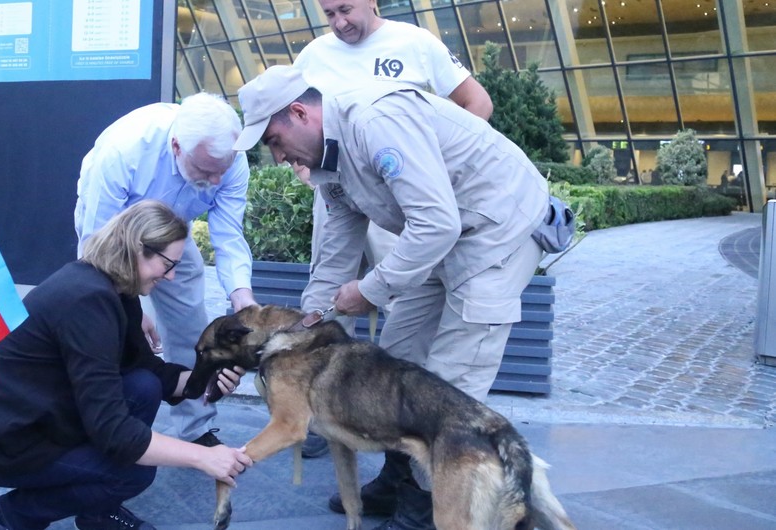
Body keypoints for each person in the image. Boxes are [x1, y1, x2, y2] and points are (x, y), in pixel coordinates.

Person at [233, 65, 549, 530]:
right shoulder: (328, 162)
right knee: (391, 364)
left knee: (446, 384)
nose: (278, 156)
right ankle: (400, 480)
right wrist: (306, 326)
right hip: (436, 239)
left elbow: (436, 222)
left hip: (495, 232)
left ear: (299, 112)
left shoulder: (375, 122)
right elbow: (335, 252)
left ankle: (424, 510)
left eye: (275, 141)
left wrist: (370, 290)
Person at [0, 201, 253, 530]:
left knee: (142, 385)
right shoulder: (86, 301)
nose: (172, 275)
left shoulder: (114, 289)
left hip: (38, 414)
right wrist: (203, 457)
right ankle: (9, 515)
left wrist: (202, 383)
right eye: (168, 264)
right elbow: (115, 432)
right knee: (133, 471)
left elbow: (149, 372)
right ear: (136, 249)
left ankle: (97, 513)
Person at [293, 0, 493, 459]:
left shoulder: (416, 43)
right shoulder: (313, 56)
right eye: (329, 14)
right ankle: (325, 413)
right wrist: (308, 172)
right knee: (329, 293)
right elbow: (294, 121)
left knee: (398, 295)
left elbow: (477, 103)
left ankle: (404, 433)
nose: (339, 22)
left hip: (403, 197)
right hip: (340, 194)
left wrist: (430, 172)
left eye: (345, 9)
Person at [74, 92, 257, 449]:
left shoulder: (229, 158)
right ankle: (105, 420)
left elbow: (228, 235)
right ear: (176, 146)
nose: (217, 180)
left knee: (192, 324)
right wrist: (132, 305)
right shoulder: (123, 151)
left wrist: (242, 296)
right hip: (114, 232)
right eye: (206, 171)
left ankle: (195, 425)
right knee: (110, 327)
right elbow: (95, 242)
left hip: (176, 230)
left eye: (223, 170)